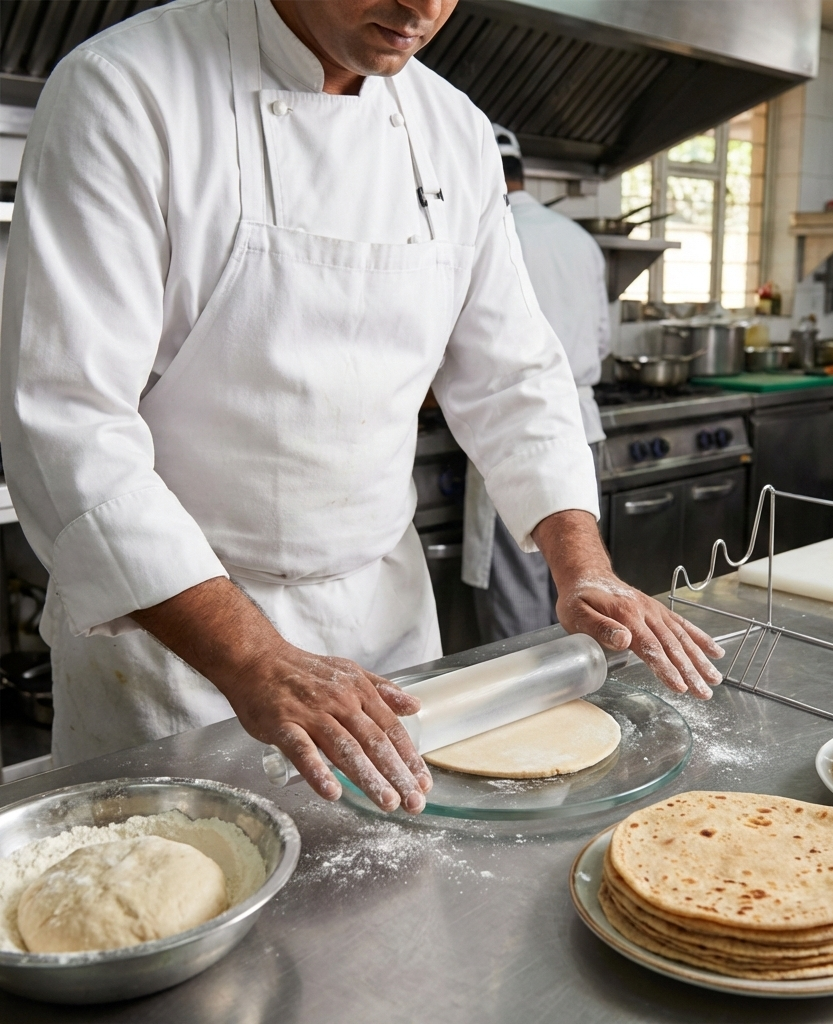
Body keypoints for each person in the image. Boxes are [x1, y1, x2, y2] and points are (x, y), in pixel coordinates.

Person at [0, 0, 724, 812]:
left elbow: (514, 374)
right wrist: (252, 658)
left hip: (386, 628)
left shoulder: (452, 127)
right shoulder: (127, 90)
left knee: (387, 904)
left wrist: (583, 565)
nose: (420, 7)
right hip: (181, 647)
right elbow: (67, 417)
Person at [462, 125, 609, 642]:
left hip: (510, 433)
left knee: (519, 602)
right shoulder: (579, 239)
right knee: (582, 594)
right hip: (584, 429)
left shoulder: (484, 233)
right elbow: (601, 338)